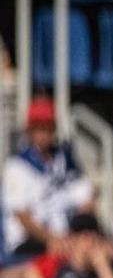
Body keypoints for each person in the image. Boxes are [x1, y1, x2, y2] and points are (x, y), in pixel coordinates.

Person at [4, 97, 96, 253]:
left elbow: (86, 199)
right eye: (37, 129)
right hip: (29, 240)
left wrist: (77, 232)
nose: (42, 135)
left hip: (65, 236)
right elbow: (23, 217)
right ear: (29, 131)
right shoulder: (17, 166)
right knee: (81, 254)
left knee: (101, 248)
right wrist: (52, 239)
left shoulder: (65, 160)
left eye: (47, 128)